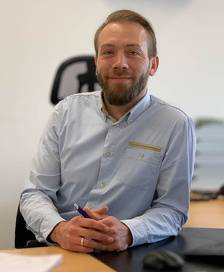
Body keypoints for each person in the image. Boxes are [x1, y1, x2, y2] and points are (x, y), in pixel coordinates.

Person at [20, 9, 196, 253]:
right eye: (108, 52)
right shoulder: (66, 113)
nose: (119, 63)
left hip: (128, 254)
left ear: (153, 64)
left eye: (133, 52)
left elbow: (173, 209)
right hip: (61, 250)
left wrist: (129, 231)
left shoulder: (175, 124)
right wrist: (59, 229)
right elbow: (35, 193)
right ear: (97, 62)